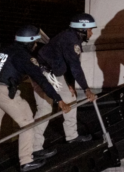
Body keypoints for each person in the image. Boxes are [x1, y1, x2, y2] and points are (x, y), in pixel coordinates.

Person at [0, 25, 71, 172]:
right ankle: (26, 160)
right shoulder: (23, 55)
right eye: (35, 43)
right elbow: (41, 79)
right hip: (3, 91)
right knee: (27, 122)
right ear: (29, 42)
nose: (36, 46)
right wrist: (58, 100)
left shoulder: (1, 50)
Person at [31, 13, 97, 148]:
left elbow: (67, 64)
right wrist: (86, 89)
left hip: (46, 71)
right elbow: (75, 67)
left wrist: (69, 84)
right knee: (54, 105)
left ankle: (38, 146)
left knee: (54, 105)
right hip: (46, 72)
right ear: (82, 29)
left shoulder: (69, 36)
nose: (91, 33)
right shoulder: (71, 40)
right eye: (90, 29)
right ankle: (38, 146)